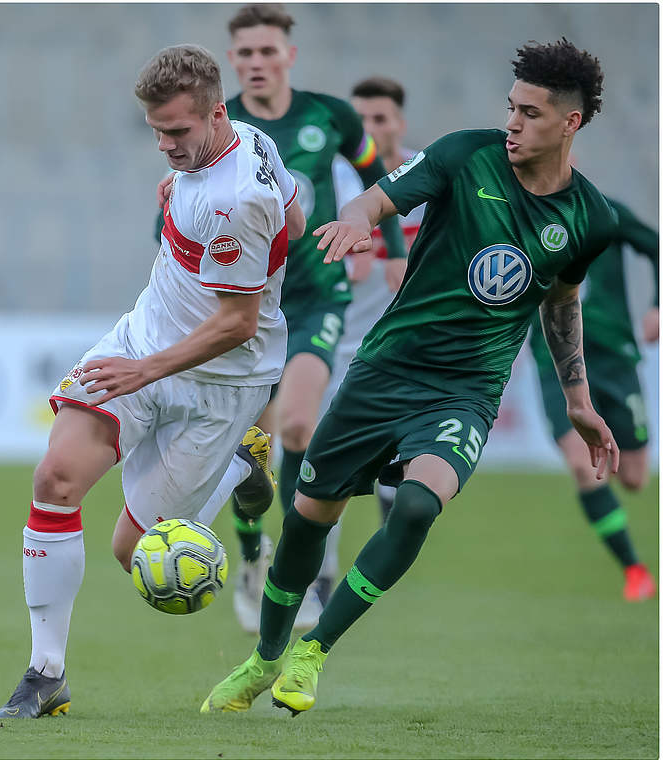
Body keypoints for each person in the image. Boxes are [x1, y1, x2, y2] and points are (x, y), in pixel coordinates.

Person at [206, 38, 620, 716]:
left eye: (532, 115)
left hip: (466, 391)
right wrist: (353, 224)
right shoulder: (466, 154)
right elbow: (373, 201)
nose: (513, 124)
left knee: (421, 505)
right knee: (309, 520)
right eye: (511, 108)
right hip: (384, 372)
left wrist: (578, 399)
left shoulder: (589, 218)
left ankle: (315, 651)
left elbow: (561, 301)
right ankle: (265, 657)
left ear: (570, 123)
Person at [0, 43, 304, 721]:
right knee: (54, 479)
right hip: (142, 340)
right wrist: (186, 200)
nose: (164, 145)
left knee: (131, 553)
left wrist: (147, 369)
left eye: (178, 133)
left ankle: (237, 467)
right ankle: (46, 674)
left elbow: (240, 323)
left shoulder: (236, 200)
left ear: (216, 114)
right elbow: (296, 216)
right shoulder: (252, 142)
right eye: (156, 131)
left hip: (221, 384)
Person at [220, 4, 409, 633]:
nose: (256, 63)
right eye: (245, 53)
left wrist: (392, 250)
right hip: (247, 304)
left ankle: (295, 574)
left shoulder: (332, 115)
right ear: (233, 58)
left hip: (315, 298)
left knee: (300, 426)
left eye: (267, 51)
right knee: (250, 460)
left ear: (288, 57)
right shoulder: (220, 123)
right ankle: (252, 557)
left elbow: (376, 175)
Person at [313, 76, 428, 604]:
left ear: (400, 123)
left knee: (401, 475)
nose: (372, 130)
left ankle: (381, 558)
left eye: (381, 119)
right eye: (362, 122)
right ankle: (321, 575)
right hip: (340, 350)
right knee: (324, 468)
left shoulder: (429, 179)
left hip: (407, 355)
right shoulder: (338, 185)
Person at [526, 197, 657, 601]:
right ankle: (635, 570)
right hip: (556, 359)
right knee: (586, 468)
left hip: (613, 356)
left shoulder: (606, 210)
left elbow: (655, 246)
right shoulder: (517, 214)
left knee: (634, 478)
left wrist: (657, 306)